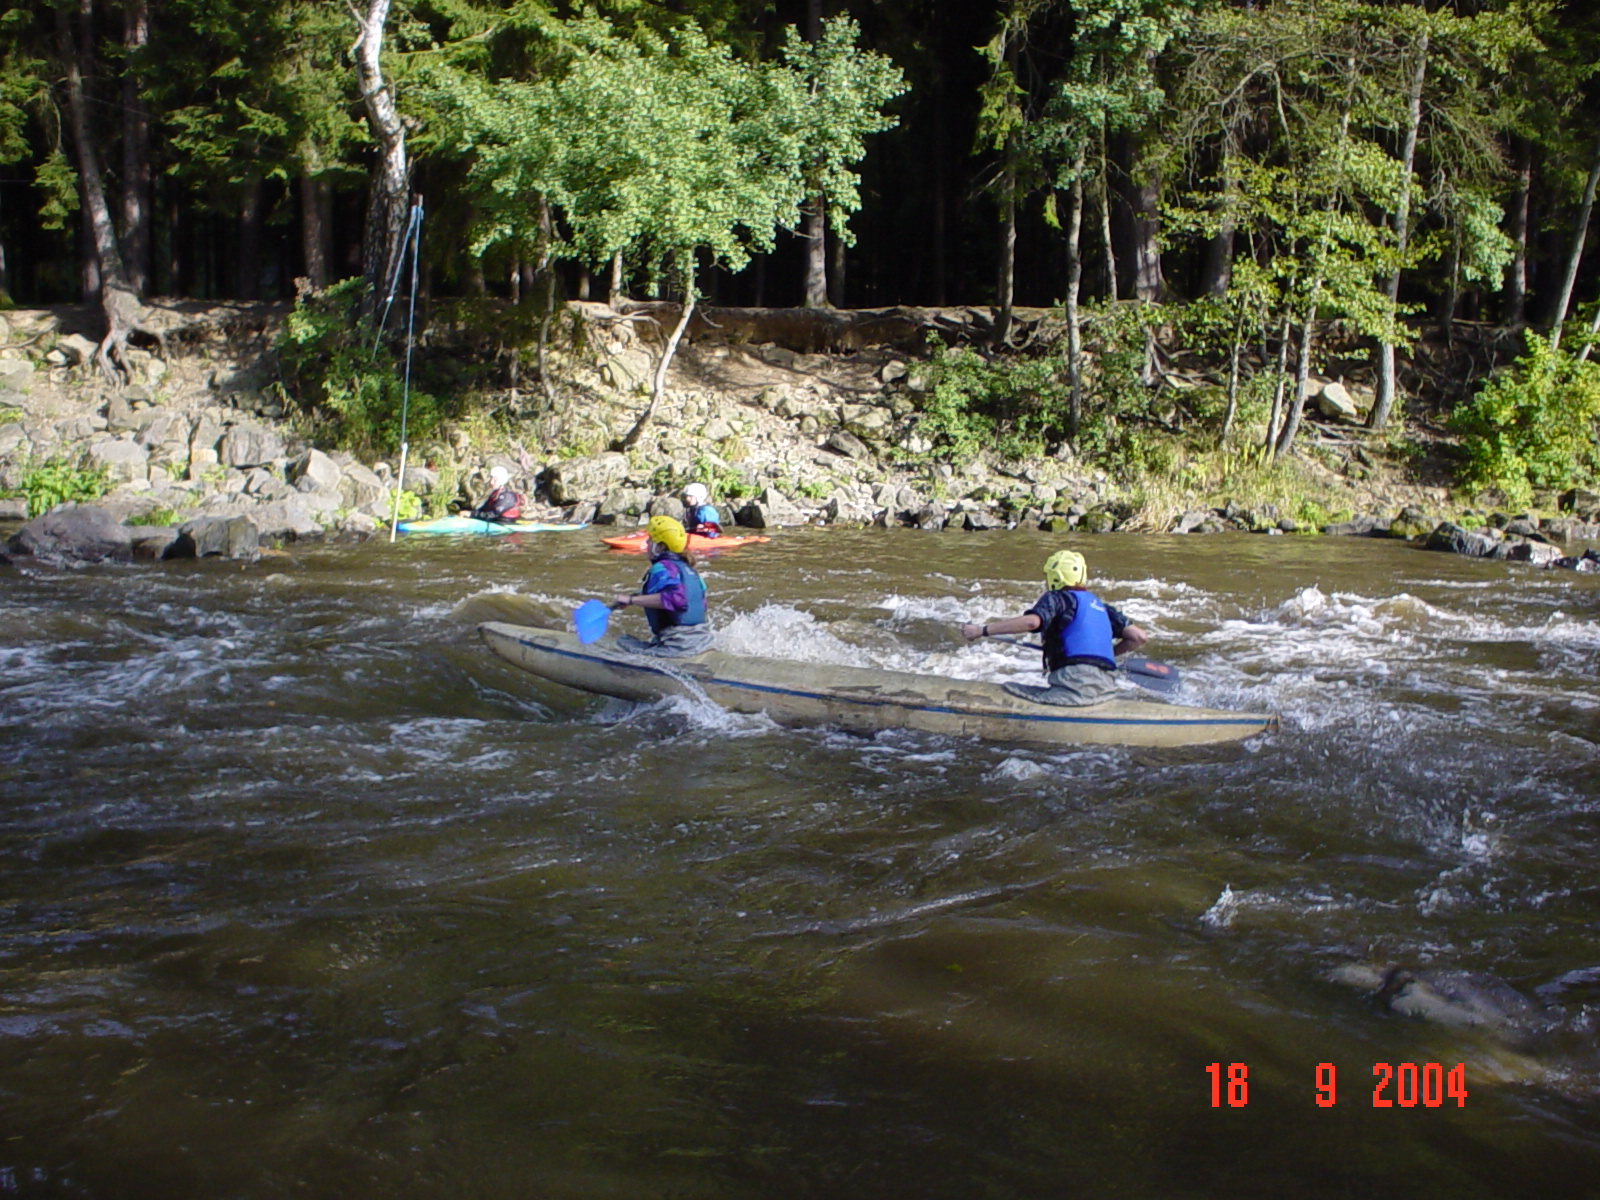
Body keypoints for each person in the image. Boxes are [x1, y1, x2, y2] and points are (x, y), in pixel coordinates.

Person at [960, 549, 1149, 706]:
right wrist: (1102, 655)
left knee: (1008, 688)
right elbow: (1138, 637)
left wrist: (981, 630)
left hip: (1072, 687)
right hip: (1106, 687)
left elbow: (1032, 622)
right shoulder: (1103, 607)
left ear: (1055, 577)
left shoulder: (1057, 598)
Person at [610, 515, 713, 657]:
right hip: (703, 641)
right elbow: (699, 603)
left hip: (678, 647)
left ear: (659, 546)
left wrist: (632, 600)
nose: (647, 542)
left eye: (650, 539)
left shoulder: (662, 567)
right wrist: (633, 598)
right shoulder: (690, 570)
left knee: (620, 642)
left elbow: (676, 599)